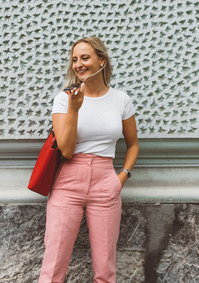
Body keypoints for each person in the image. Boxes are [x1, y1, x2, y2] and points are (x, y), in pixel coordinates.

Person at [38, 37, 139, 283]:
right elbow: (67, 150)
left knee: (105, 270)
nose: (78, 64)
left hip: (106, 182)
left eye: (85, 58)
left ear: (101, 60)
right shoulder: (64, 99)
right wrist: (74, 109)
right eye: (74, 60)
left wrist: (121, 177)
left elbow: (133, 144)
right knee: (53, 267)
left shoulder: (121, 100)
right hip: (68, 183)